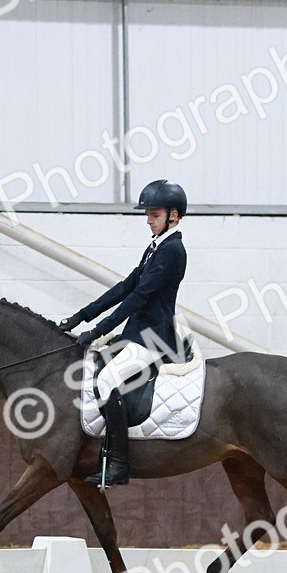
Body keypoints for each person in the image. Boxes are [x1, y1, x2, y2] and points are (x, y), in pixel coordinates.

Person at [58, 179, 189, 487]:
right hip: (136, 334)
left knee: (106, 381)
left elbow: (139, 298)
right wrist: (79, 317)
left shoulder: (172, 250)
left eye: (154, 214)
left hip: (153, 338)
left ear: (174, 215)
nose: (148, 220)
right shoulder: (156, 246)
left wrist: (97, 330)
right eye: (148, 214)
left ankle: (118, 463)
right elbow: (124, 287)